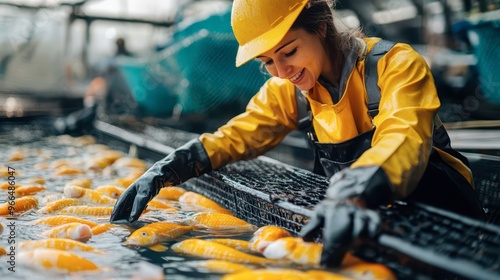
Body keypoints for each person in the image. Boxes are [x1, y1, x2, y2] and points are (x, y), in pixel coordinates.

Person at [110, 0, 484, 267]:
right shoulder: (291, 91)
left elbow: (404, 138)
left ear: (320, 26)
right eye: (268, 62)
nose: (282, 71)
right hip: (372, 224)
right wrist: (171, 166)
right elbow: (237, 135)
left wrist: (354, 191)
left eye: (288, 51)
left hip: (454, 229)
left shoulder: (396, 65)